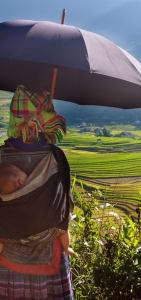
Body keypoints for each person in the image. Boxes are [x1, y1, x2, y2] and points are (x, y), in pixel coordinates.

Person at [0, 85, 74, 299]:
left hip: (7, 255)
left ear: (14, 115)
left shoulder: (1, 156)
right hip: (49, 255)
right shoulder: (56, 157)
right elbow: (64, 211)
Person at [0, 163, 75, 256]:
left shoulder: (6, 200)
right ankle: (66, 248)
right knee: (63, 227)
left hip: (16, 237)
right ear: (20, 182)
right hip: (42, 234)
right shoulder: (33, 194)